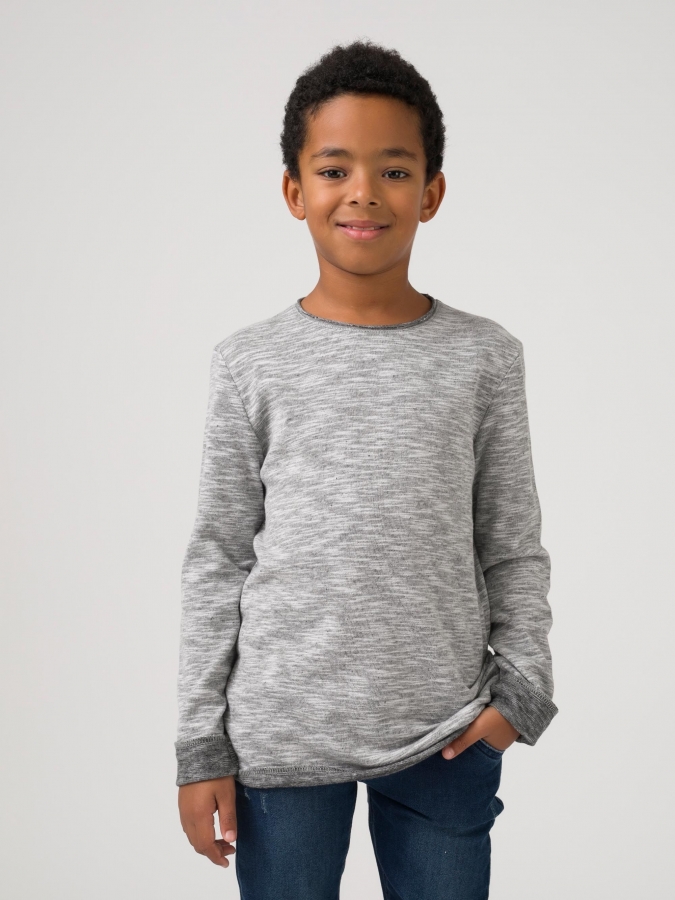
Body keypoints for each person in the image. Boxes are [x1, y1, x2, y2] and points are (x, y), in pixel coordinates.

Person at [175, 39, 558, 900]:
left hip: (447, 734)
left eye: (392, 170)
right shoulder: (249, 363)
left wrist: (521, 694)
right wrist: (201, 746)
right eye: (333, 169)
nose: (363, 192)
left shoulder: (484, 357)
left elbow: (511, 543)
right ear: (294, 191)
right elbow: (218, 557)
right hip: (281, 738)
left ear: (430, 192)